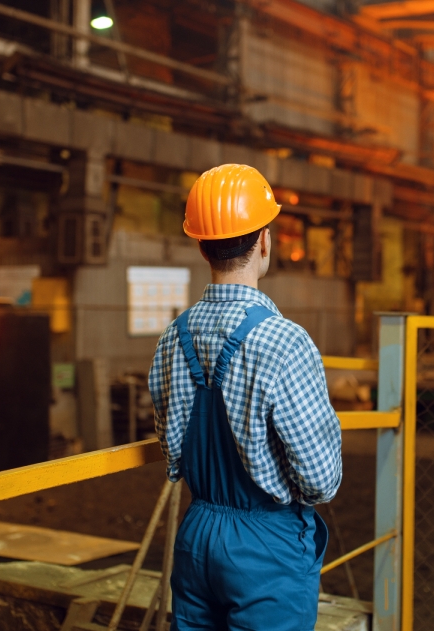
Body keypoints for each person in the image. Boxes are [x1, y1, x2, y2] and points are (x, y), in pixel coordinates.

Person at [149, 164, 342, 631]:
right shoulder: (285, 342)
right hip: (266, 546)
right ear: (264, 242)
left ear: (201, 246)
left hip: (197, 538)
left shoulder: (174, 337)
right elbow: (321, 480)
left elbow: (172, 453)